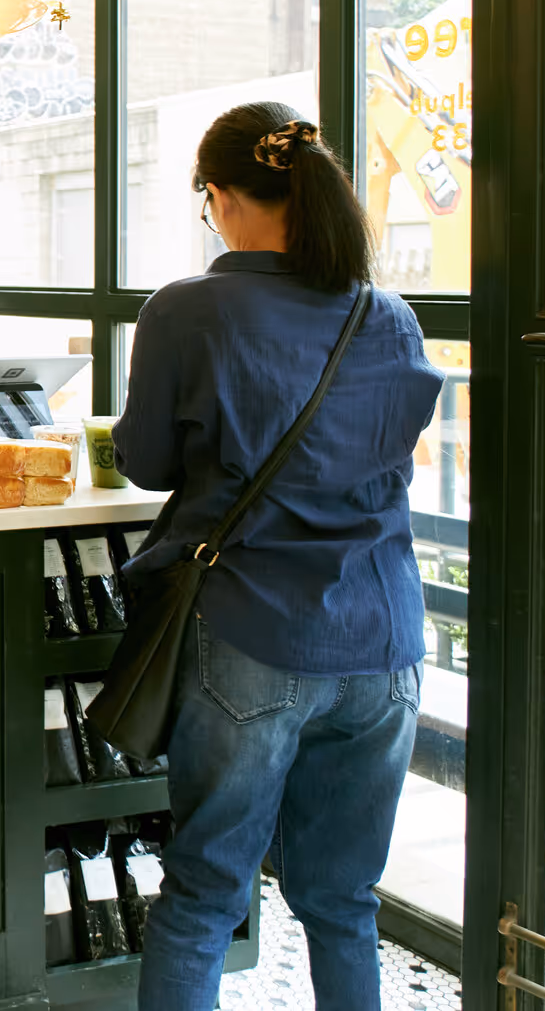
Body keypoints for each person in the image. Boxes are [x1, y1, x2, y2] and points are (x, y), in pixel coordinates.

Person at [112, 102, 442, 1011]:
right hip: (383, 643)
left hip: (255, 636)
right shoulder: (390, 316)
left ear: (221, 198)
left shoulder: (187, 310)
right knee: (342, 901)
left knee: (206, 896)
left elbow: (146, 463)